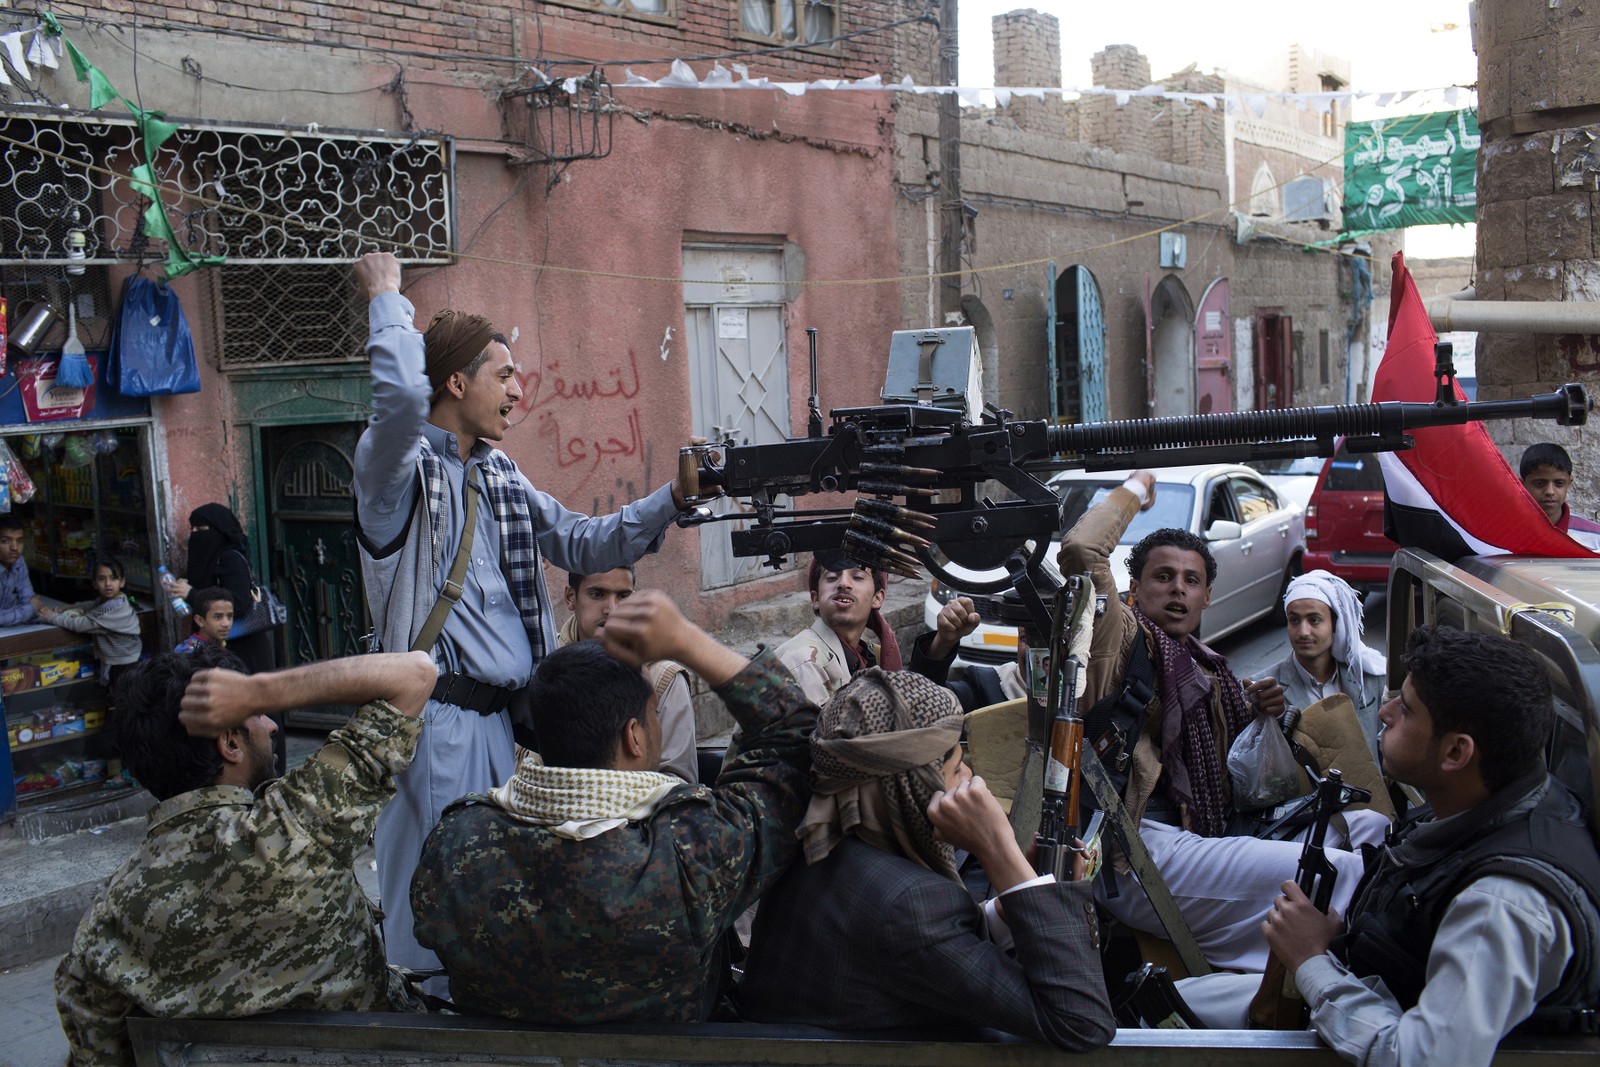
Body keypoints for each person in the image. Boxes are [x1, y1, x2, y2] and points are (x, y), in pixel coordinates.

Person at [351, 251, 697, 982]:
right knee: (430, 917)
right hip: (433, 727)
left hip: (503, 729)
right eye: (503, 374)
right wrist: (386, 297)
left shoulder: (500, 474)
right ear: (454, 382)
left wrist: (673, 495)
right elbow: (398, 402)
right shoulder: (396, 472)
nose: (517, 390)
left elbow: (583, 539)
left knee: (488, 912)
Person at [1179, 626, 1600, 1066]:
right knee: (1168, 1004)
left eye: (1409, 709)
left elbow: (1419, 1060)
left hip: (1370, 1022)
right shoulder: (1490, 802)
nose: (1386, 712)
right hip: (1369, 989)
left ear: (1456, 753)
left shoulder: (1502, 906)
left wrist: (1310, 960)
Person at [410, 591, 815, 1022]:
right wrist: (688, 642)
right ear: (634, 736)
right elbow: (792, 734)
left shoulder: (455, 844)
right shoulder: (691, 854)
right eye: (653, 715)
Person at [1057, 471, 1387, 972]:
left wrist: (1263, 719)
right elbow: (1082, 549)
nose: (1178, 590)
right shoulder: (1119, 638)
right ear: (1134, 587)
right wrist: (1138, 489)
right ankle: (1347, 978)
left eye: (1192, 581)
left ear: (1207, 597)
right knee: (1340, 873)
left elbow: (1242, 779)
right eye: (1162, 577)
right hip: (1133, 847)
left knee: (1371, 825)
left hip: (1209, 831)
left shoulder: (1209, 668)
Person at [54, 646, 436, 1067]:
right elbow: (415, 673)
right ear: (230, 743)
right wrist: (259, 690)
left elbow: (96, 1054)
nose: (271, 724)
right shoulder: (296, 828)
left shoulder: (106, 920)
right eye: (258, 715)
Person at [737, 668, 1116, 1050]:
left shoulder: (819, 842)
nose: (971, 777)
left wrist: (1013, 901)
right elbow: (1081, 1023)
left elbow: (933, 951)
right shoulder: (909, 906)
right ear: (914, 788)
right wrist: (1001, 852)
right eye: (955, 767)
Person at [560, 565, 697, 782]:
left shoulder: (663, 678)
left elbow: (679, 785)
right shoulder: (545, 666)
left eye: (623, 596)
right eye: (597, 594)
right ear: (570, 597)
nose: (612, 609)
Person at [1264, 570, 1387, 759]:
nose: (1303, 632)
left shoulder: (1369, 678)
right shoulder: (1265, 689)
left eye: (1314, 620)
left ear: (1335, 624)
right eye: (1294, 620)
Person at [774, 553, 905, 707]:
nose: (843, 583)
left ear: (877, 598)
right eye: (831, 577)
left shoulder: (869, 657)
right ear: (816, 599)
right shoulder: (802, 661)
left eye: (857, 577)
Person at [171, 503, 277, 674]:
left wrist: (191, 594)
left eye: (202, 528)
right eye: (194, 529)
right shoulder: (211, 559)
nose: (196, 534)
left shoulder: (230, 559)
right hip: (221, 649)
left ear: (220, 529)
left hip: (244, 649)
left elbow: (239, 605)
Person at [36, 558, 142, 691]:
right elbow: (89, 605)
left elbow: (81, 624)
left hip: (124, 664)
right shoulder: (116, 599)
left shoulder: (112, 608)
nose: (108, 583)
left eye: (113, 578)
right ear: (94, 583)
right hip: (120, 660)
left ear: (122, 582)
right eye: (102, 579)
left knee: (121, 701)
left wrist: (52, 617)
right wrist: (67, 607)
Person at [1520, 443, 1600, 550]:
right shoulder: (1502, 537)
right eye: (1539, 483)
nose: (1550, 491)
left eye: (1559, 483)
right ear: (1521, 485)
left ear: (1569, 483)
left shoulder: (1595, 538)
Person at [0, 516, 40, 626]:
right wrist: (30, 608)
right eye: (5, 541)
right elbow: (33, 605)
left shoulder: (18, 561)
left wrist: (29, 607)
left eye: (20, 541)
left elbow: (28, 598)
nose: (15, 547)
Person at [173, 586, 234, 655]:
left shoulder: (219, 644)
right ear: (200, 621)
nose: (226, 624)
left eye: (230, 616)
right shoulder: (190, 654)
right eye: (218, 617)